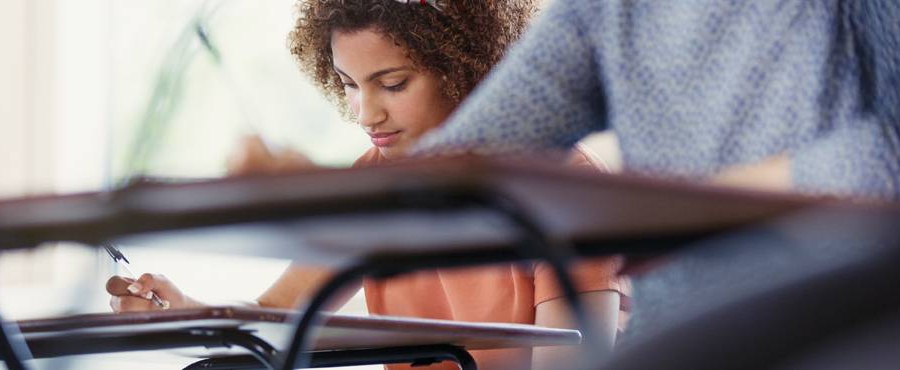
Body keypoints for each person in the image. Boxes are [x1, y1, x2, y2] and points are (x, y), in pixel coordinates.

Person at [408, 0, 900, 343]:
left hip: (869, 306)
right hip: (691, 318)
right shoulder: (606, 10)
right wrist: (340, 180)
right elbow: (473, 155)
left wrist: (706, 206)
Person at [106, 1, 628, 369]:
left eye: (393, 84)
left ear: (463, 66)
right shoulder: (374, 179)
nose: (366, 113)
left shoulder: (566, 189)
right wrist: (190, 316)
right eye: (349, 85)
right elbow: (283, 312)